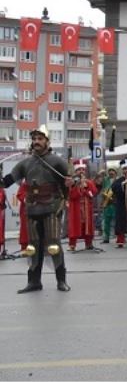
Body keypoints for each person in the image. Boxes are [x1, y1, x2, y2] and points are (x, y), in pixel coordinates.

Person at [4, 125, 71, 293]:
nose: (36, 142)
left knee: (54, 245)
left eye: (40, 139)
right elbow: (8, 181)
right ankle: (34, 281)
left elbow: (72, 177)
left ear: (47, 142)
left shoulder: (57, 161)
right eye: (34, 139)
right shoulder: (25, 163)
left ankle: (61, 281)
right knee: (32, 246)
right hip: (32, 209)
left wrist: (72, 181)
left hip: (51, 207)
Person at [67, 160, 97, 251]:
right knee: (75, 225)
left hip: (87, 208)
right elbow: (71, 195)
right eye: (79, 170)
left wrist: (86, 188)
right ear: (75, 172)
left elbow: (93, 193)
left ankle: (88, 243)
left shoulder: (89, 182)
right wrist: (79, 188)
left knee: (88, 226)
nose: (81, 171)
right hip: (76, 208)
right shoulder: (72, 183)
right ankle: (72, 245)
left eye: (82, 170)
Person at [98, 168, 117, 243]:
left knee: (118, 221)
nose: (111, 172)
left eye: (113, 171)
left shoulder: (118, 180)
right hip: (107, 203)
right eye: (110, 171)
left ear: (115, 172)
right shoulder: (105, 180)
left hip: (116, 203)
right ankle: (106, 238)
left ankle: (120, 237)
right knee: (106, 221)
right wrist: (100, 173)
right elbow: (98, 182)